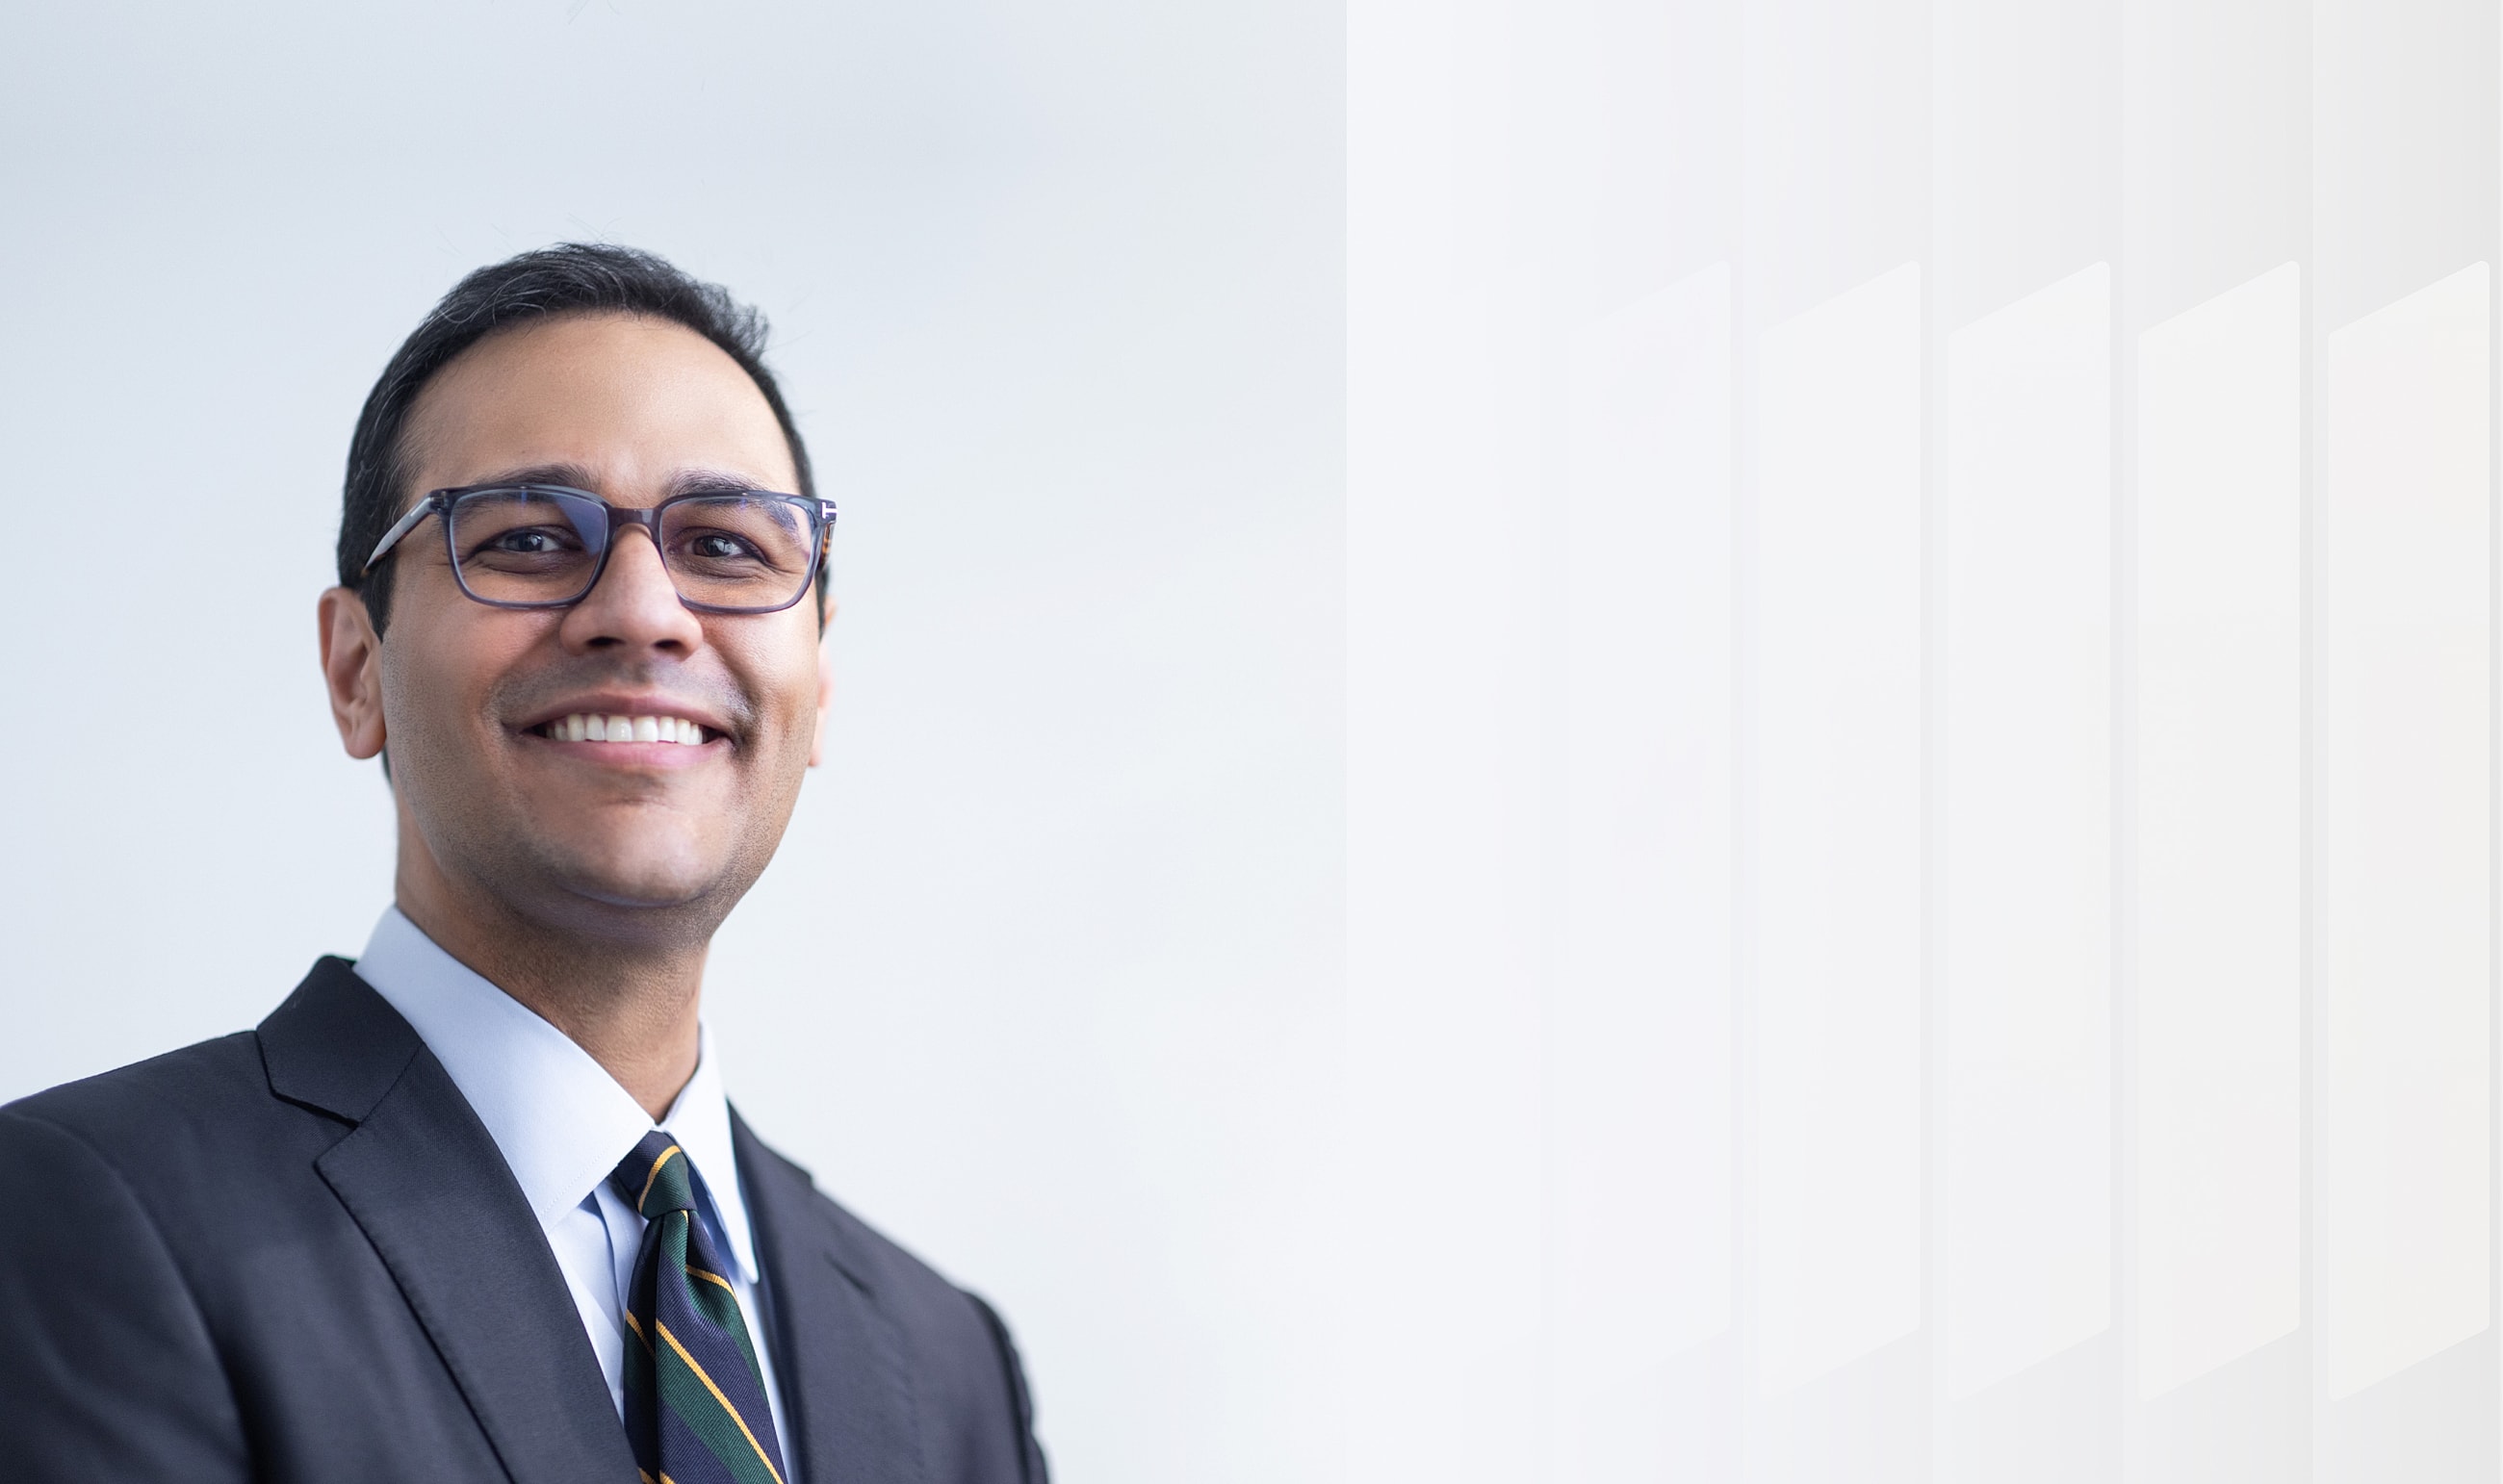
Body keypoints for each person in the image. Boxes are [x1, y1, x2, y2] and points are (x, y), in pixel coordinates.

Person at [0, 244, 1049, 1483]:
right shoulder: (81, 1218)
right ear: (356, 673)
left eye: (724, 547)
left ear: (816, 692)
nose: (645, 609)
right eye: (531, 539)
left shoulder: (946, 1361)